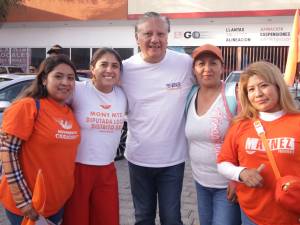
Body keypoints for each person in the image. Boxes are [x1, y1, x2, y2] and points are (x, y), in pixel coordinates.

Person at [121, 11, 194, 225]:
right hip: (138, 158)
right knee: (143, 218)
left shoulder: (184, 63)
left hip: (173, 160)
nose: (155, 39)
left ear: (168, 36)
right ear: (137, 38)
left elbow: (208, 86)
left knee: (172, 219)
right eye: (148, 34)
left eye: (160, 33)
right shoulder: (125, 69)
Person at [0, 54, 80, 225]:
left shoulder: (69, 111)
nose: (65, 82)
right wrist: (23, 200)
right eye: (58, 76)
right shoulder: (28, 106)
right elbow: (8, 152)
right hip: (29, 205)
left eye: (71, 78)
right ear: (44, 79)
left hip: (57, 203)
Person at [217, 61, 300, 225]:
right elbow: (223, 163)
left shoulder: (296, 122)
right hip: (251, 215)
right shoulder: (240, 125)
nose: (258, 93)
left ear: (278, 86)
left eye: (264, 85)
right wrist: (241, 173)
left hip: (291, 214)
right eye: (251, 89)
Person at [62, 48, 126, 225]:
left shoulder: (122, 95)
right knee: (76, 220)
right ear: (92, 68)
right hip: (77, 169)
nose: (109, 70)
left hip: (107, 169)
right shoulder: (78, 90)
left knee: (107, 220)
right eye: (103, 64)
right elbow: (52, 108)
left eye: (115, 66)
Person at [185, 44, 241, 225]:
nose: (207, 69)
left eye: (213, 63)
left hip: (227, 185)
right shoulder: (191, 94)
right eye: (201, 64)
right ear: (194, 69)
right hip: (200, 182)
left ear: (222, 67)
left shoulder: (234, 95)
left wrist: (237, 180)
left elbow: (246, 138)